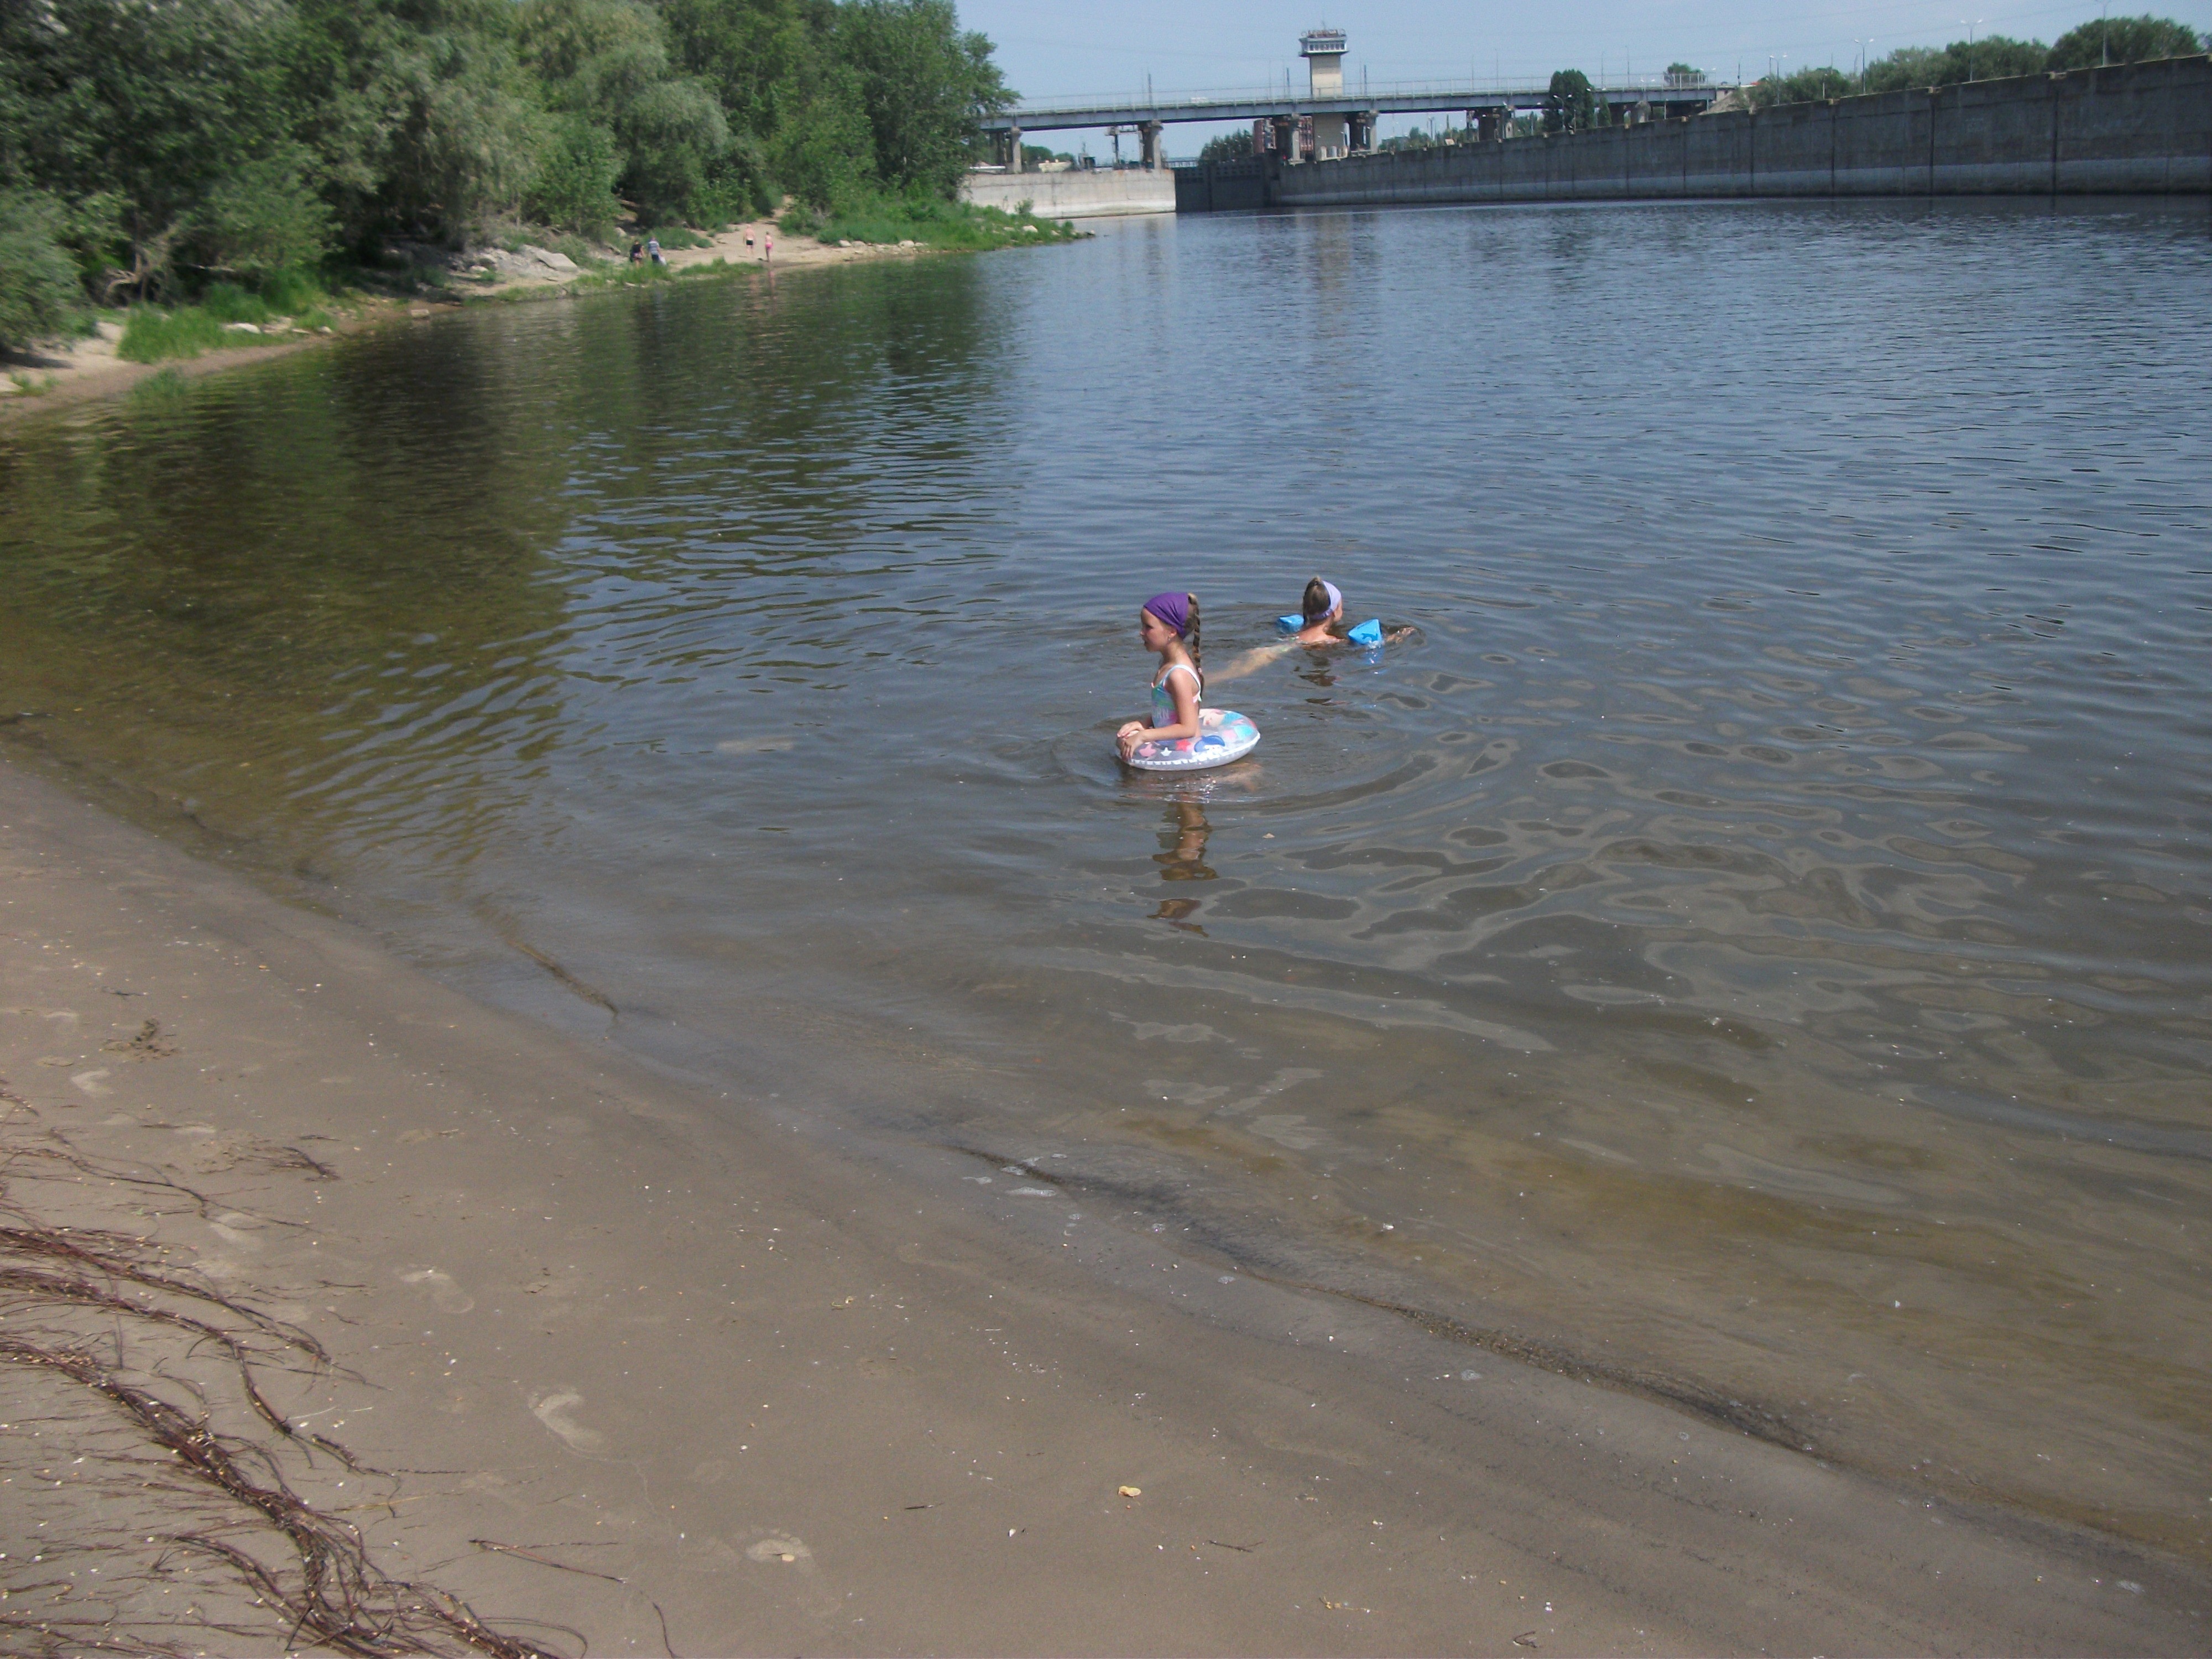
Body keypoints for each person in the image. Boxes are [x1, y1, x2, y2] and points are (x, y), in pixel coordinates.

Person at [1115, 591, 1204, 761]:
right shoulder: (1167, 664)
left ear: (1171, 631)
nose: (1141, 633)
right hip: (1168, 747)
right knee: (1123, 739)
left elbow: (1188, 728)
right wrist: (1145, 723)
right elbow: (1167, 710)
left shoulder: (1178, 675)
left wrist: (1144, 735)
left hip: (1184, 753)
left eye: (1148, 627)